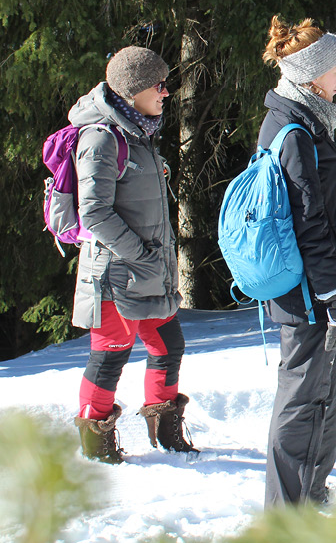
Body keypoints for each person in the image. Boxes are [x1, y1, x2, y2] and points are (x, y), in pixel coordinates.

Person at [69, 46, 197, 463]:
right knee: (110, 355)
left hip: (144, 269)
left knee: (168, 343)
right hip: (113, 273)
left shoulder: (138, 134)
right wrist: (139, 252)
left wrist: (148, 258)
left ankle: (166, 430)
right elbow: (93, 212)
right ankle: (96, 443)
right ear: (133, 89)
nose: (166, 92)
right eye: (159, 85)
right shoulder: (102, 138)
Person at [258, 16, 336, 506]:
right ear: (311, 74)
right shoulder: (295, 132)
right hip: (308, 296)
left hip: (313, 291)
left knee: (335, 389)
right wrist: (335, 299)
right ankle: (284, 513)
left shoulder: (301, 120)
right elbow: (310, 225)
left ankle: (310, 491)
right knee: (301, 399)